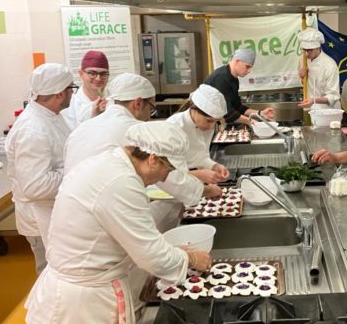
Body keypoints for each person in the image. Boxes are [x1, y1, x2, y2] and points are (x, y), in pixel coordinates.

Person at [25, 122, 212, 324]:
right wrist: (191, 259)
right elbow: (151, 256)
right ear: (153, 159)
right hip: (76, 310)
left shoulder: (109, 163)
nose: (166, 177)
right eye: (168, 170)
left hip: (74, 295)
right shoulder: (121, 182)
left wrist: (175, 252)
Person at [63, 73, 216, 230]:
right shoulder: (135, 132)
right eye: (151, 108)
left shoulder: (82, 129)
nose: (149, 115)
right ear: (137, 103)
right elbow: (171, 178)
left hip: (68, 215)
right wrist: (206, 190)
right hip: (101, 219)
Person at [5, 63, 74, 324]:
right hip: (41, 221)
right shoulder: (32, 129)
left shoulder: (51, 117)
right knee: (49, 297)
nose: (72, 94)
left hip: (54, 216)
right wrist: (75, 173)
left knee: (56, 294)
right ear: (59, 93)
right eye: (70, 89)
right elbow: (36, 186)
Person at [167, 84, 230, 184]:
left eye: (216, 121)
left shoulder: (205, 126)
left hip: (192, 182)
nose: (211, 127)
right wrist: (199, 175)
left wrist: (214, 166)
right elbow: (165, 174)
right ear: (193, 109)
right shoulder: (174, 127)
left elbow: (200, 156)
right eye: (209, 121)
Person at [204, 47, 275, 126]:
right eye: (247, 66)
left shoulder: (234, 80)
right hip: (202, 122)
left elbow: (237, 107)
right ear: (237, 61)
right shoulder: (221, 77)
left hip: (210, 123)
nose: (249, 71)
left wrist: (260, 113)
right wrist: (250, 121)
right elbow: (228, 113)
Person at [61, 50, 110, 130]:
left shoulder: (115, 100)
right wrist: (94, 118)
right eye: (92, 73)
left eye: (103, 74)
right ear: (81, 74)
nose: (98, 78)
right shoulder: (69, 105)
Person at [297, 28, 340, 110]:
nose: (306, 54)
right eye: (304, 50)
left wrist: (314, 100)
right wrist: (301, 78)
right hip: (309, 108)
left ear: (318, 47)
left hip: (327, 110)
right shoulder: (302, 60)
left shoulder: (329, 65)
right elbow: (304, 85)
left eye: (310, 50)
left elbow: (333, 96)